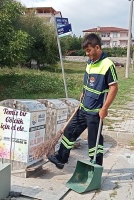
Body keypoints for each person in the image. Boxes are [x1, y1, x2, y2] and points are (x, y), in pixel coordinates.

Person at [48, 33, 118, 169]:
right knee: (69, 132)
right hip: (83, 108)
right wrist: (83, 93)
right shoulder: (90, 63)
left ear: (97, 47)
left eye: (88, 50)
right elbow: (88, 83)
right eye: (86, 51)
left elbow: (114, 88)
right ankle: (61, 158)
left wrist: (105, 108)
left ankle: (95, 167)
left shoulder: (108, 64)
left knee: (94, 142)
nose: (87, 53)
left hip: (96, 112)